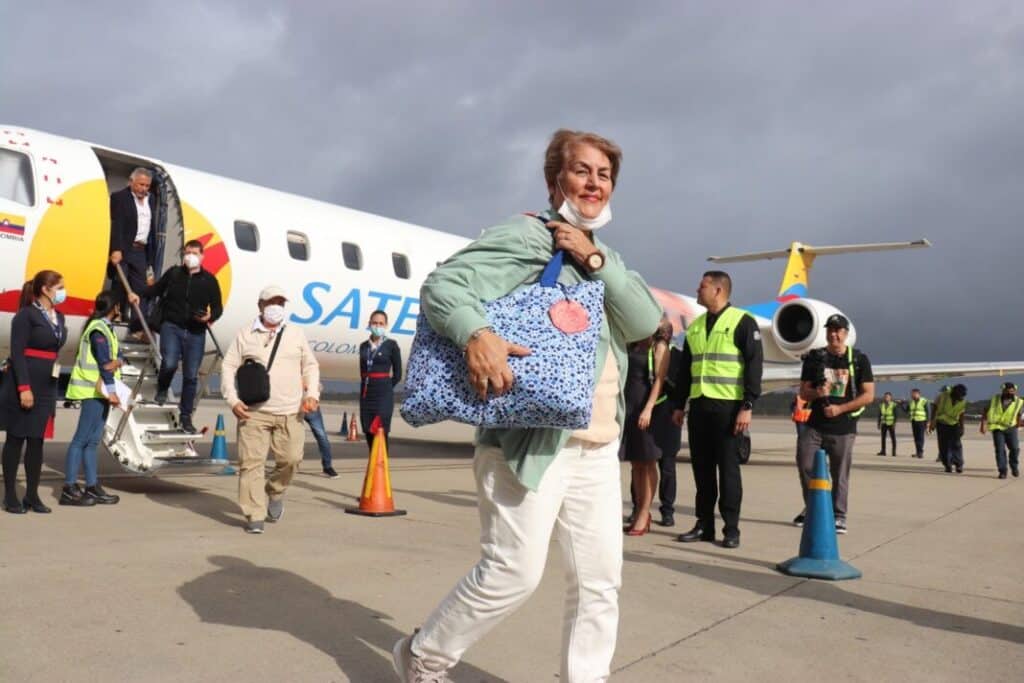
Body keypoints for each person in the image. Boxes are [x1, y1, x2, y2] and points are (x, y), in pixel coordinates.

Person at [392, 129, 661, 683]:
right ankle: (423, 656)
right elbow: (443, 287)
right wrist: (477, 333)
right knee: (512, 572)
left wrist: (592, 258)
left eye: (604, 175)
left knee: (599, 582)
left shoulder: (604, 257)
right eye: (582, 170)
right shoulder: (528, 236)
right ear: (554, 180)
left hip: (597, 443)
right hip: (532, 441)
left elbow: (643, 321)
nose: (594, 183)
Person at [670, 271, 763, 549]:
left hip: (729, 408)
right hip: (700, 406)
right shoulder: (696, 327)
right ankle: (704, 525)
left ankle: (731, 529)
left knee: (728, 470)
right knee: (702, 469)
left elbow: (754, 365)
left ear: (718, 290)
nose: (697, 290)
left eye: (702, 286)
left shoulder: (742, 321)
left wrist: (748, 405)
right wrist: (679, 404)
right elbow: (685, 370)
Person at [220, 285, 320, 534]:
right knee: (251, 464)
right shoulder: (245, 334)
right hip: (254, 412)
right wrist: (232, 399)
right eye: (271, 302)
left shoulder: (295, 333)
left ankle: (275, 491)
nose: (276, 307)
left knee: (291, 460)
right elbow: (228, 366)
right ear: (260, 306)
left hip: (290, 411)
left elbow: (310, 365)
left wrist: (312, 394)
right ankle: (254, 514)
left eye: (280, 303)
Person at [794, 314, 875, 534]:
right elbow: (804, 392)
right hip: (815, 425)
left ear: (846, 334)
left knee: (839, 473)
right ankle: (814, 507)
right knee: (805, 463)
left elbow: (868, 395)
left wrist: (840, 409)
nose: (833, 334)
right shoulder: (815, 358)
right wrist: (818, 393)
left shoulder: (859, 360)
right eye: (830, 330)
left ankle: (839, 515)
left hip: (843, 427)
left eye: (838, 330)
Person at [134, 238, 223, 433]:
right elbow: (155, 290)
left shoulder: (209, 281)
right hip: (172, 326)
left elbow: (217, 308)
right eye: (187, 253)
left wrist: (209, 316)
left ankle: (185, 416)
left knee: (191, 376)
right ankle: (163, 388)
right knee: (169, 363)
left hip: (196, 332)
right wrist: (136, 293)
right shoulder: (174, 274)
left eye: (194, 253)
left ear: (202, 256)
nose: (190, 256)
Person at [0, 271, 68, 513]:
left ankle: (31, 495)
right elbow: (17, 353)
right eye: (59, 287)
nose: (63, 292)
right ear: (45, 290)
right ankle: (10, 496)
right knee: (16, 439)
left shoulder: (59, 316)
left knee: (37, 441)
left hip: (47, 385)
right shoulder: (25, 315)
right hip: (25, 382)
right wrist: (24, 388)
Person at [62, 291, 124, 506]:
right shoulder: (98, 329)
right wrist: (112, 391)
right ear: (114, 307)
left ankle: (92, 486)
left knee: (93, 441)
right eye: (119, 306)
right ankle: (69, 488)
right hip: (91, 390)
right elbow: (105, 364)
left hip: (100, 392)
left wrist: (118, 362)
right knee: (81, 439)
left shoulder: (106, 328)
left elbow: (114, 359)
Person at [620, 318, 672, 535]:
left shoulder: (659, 346)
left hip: (648, 409)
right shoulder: (632, 343)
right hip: (630, 406)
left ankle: (644, 513)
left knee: (648, 462)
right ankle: (638, 509)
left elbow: (659, 380)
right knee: (636, 463)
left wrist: (648, 408)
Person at [108, 168, 158, 340]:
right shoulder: (119, 197)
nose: (144, 189)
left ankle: (137, 327)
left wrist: (150, 260)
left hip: (141, 250)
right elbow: (117, 225)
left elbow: (152, 228)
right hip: (124, 247)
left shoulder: (151, 200)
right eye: (141, 184)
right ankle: (115, 314)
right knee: (119, 283)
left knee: (141, 289)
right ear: (131, 182)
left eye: (147, 186)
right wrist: (116, 248)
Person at [359, 310, 402, 451]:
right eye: (374, 323)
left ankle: (382, 464)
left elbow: (398, 374)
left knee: (380, 431)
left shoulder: (392, 345)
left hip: (383, 396)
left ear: (386, 325)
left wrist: (386, 387)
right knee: (368, 431)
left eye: (381, 323)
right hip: (367, 396)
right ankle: (372, 462)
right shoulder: (363, 346)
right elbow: (363, 372)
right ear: (369, 324)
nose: (377, 326)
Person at [980, 382, 1021, 479]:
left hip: (1011, 428)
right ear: (1003, 390)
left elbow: (1019, 414)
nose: (1010, 393)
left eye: (1012, 391)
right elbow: (985, 411)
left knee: (1015, 448)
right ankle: (1002, 471)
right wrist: (983, 425)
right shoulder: (995, 399)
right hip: (997, 428)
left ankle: (1014, 466)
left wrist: (1018, 425)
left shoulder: (1018, 401)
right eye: (1008, 391)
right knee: (1000, 450)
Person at [929, 384, 968, 473]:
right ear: (954, 394)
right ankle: (947, 465)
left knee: (957, 444)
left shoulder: (962, 401)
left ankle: (959, 464)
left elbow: (962, 414)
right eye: (960, 396)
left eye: (963, 396)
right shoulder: (943, 396)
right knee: (943, 446)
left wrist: (962, 427)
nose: (961, 398)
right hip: (941, 423)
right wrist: (932, 422)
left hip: (954, 424)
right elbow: (934, 407)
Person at [303, 383, 338, 478]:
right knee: (289, 437)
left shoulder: (312, 375)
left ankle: (327, 466)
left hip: (311, 407)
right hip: (293, 406)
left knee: (322, 437)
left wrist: (316, 392)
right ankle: (284, 465)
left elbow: (318, 386)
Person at [901, 388, 930, 458]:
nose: (912, 395)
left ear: (918, 394)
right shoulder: (911, 402)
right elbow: (906, 410)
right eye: (912, 394)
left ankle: (920, 452)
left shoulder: (924, 401)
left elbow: (928, 412)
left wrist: (928, 422)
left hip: (921, 421)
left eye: (914, 394)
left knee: (920, 437)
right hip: (914, 421)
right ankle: (918, 452)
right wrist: (902, 404)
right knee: (916, 437)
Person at [876, 391, 897, 456]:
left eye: (887, 397)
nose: (886, 398)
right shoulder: (881, 405)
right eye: (885, 397)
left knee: (893, 438)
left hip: (891, 423)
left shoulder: (893, 405)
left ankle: (894, 452)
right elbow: (879, 415)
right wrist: (878, 423)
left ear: (890, 398)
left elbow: (896, 415)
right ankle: (883, 451)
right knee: (883, 438)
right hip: (884, 423)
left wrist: (894, 423)